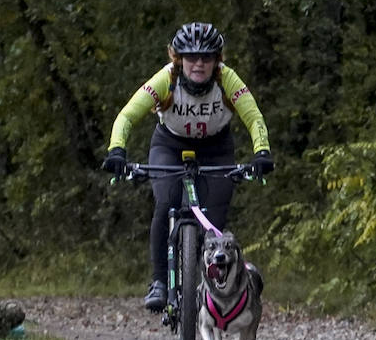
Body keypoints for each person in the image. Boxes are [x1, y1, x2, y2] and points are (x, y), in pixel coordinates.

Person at [101, 22, 274, 312]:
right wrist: (117, 149)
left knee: (213, 220)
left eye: (207, 57)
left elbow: (254, 118)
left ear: (217, 60)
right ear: (178, 58)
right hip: (169, 146)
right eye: (191, 57)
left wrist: (261, 152)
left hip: (217, 149)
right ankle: (158, 281)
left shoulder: (227, 80)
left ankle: (209, 284)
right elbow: (127, 115)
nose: (199, 63)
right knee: (166, 200)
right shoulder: (166, 80)